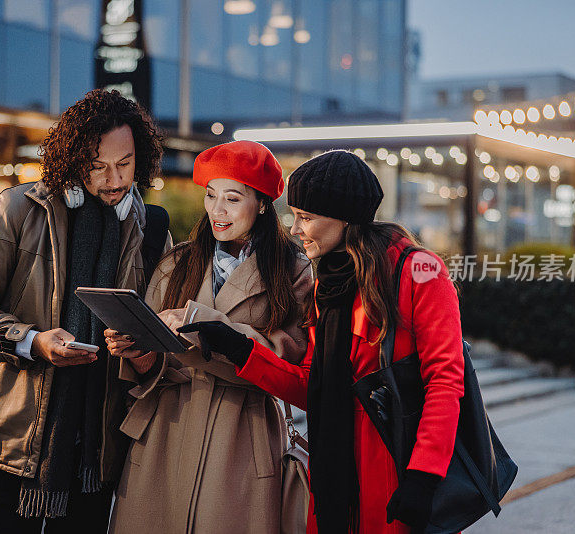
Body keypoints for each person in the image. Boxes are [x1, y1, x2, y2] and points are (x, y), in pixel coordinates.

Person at [180, 150, 465, 534]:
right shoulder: (328, 284)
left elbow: (445, 381)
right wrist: (239, 348)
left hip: (396, 467)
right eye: (294, 215)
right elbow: (309, 386)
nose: (295, 228)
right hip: (334, 471)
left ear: (344, 219)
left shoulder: (420, 271)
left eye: (306, 217)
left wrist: (424, 476)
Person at [0, 89, 172, 533]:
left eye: (125, 164)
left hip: (98, 452)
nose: (114, 179)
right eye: (97, 166)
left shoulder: (153, 229)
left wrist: (141, 347)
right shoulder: (19, 209)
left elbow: (161, 338)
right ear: (72, 159)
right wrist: (32, 341)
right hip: (11, 444)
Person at [104, 141, 313, 533]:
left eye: (232, 199)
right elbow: (154, 365)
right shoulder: (177, 261)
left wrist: (202, 322)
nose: (217, 211)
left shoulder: (292, 269)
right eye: (211, 196)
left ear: (264, 203)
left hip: (241, 437)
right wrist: (136, 351)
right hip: (166, 432)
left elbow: (288, 357)